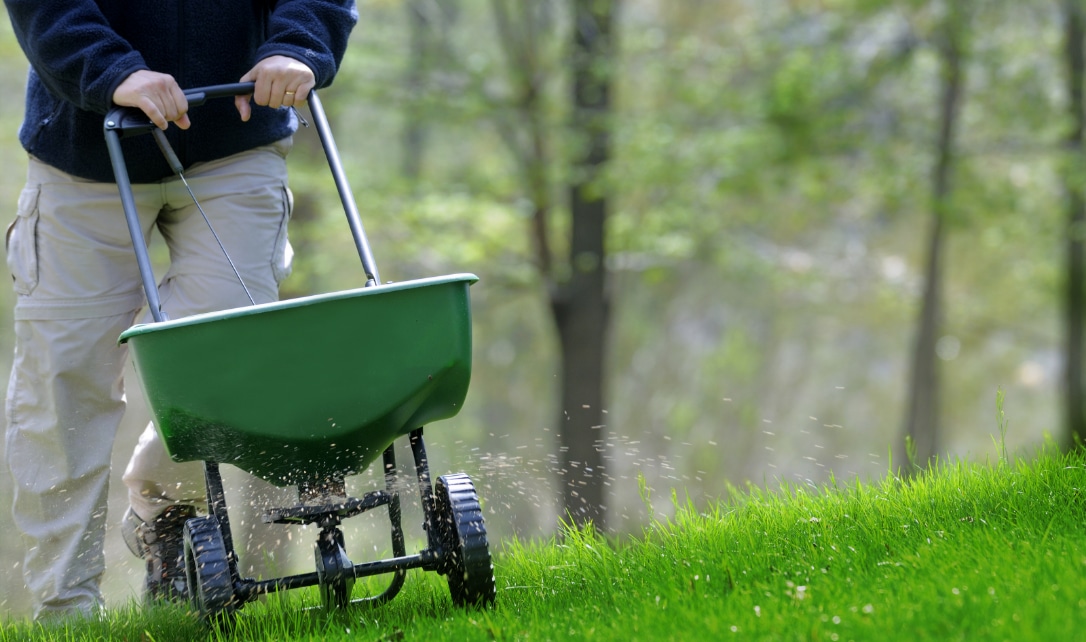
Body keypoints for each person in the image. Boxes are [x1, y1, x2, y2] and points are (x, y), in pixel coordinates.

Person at [1, 0, 358, 621]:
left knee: (226, 363)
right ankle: (67, 611)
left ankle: (169, 521)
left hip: (234, 139)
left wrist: (297, 46)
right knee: (62, 385)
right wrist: (110, 71)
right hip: (83, 149)